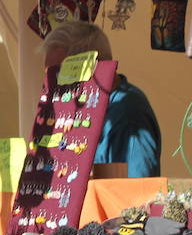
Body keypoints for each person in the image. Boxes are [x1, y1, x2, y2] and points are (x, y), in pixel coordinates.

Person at [40, 21, 162, 178]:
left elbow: (136, 191)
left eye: (58, 75)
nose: (51, 85)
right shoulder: (84, 110)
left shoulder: (127, 114)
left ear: (89, 67)